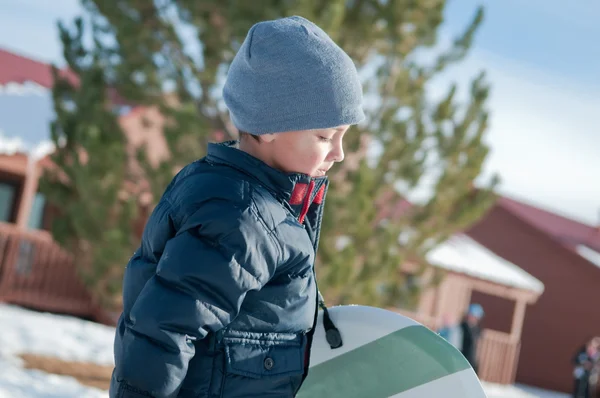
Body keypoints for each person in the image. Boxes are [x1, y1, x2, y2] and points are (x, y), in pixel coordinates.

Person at [108, 15, 364, 398]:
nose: (339, 153)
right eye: (325, 135)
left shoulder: (251, 202)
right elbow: (164, 331)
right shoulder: (242, 217)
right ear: (268, 127)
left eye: (343, 136)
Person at [459, 303, 485, 374]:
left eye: (474, 317)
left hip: (472, 362)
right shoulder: (461, 327)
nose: (471, 318)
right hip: (461, 359)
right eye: (470, 316)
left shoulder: (477, 330)